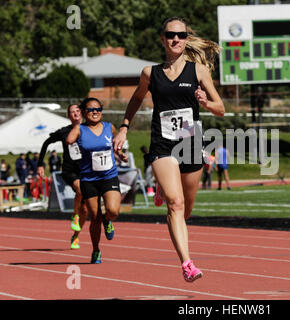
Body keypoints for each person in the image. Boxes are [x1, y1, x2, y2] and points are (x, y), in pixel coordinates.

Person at [114, 17, 224, 282]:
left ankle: (164, 189)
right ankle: (187, 264)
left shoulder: (198, 71)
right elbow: (137, 98)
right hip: (162, 145)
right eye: (170, 35)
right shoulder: (150, 73)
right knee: (175, 204)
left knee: (185, 210)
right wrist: (124, 127)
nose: (176, 39)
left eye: (181, 35)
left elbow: (221, 109)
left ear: (186, 39)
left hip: (191, 145)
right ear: (162, 39)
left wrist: (205, 103)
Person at [67, 97, 128, 264]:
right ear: (85, 112)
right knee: (94, 217)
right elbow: (69, 140)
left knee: (113, 210)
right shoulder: (81, 129)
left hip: (108, 175)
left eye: (98, 109)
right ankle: (96, 250)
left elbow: (117, 144)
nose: (95, 112)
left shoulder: (109, 127)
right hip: (89, 179)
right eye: (91, 110)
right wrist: (77, 124)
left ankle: (108, 220)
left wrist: (120, 154)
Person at [37, 104, 87, 250]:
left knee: (85, 209)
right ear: (68, 116)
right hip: (69, 170)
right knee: (80, 188)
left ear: (82, 113)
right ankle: (75, 216)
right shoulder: (64, 131)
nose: (75, 114)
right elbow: (46, 142)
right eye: (72, 112)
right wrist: (40, 164)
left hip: (86, 170)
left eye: (77, 111)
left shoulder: (89, 129)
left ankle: (76, 236)